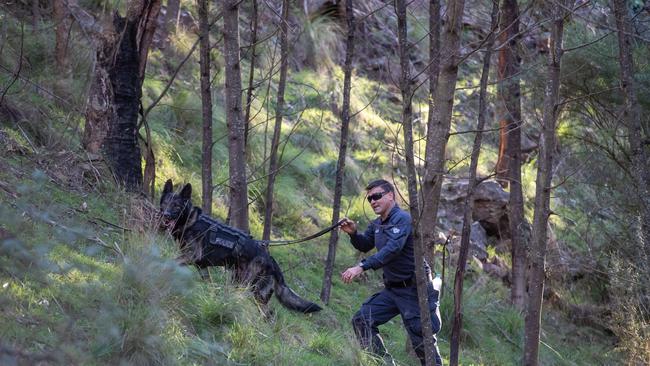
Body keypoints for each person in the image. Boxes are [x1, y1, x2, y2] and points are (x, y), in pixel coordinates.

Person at [340, 179, 442, 366]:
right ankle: (383, 363)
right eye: (369, 199)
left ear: (390, 196)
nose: (372, 202)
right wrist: (353, 233)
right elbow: (365, 244)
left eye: (377, 196)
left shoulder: (403, 219)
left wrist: (361, 266)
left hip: (415, 290)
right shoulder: (377, 224)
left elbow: (392, 250)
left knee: (423, 344)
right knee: (362, 320)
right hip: (393, 290)